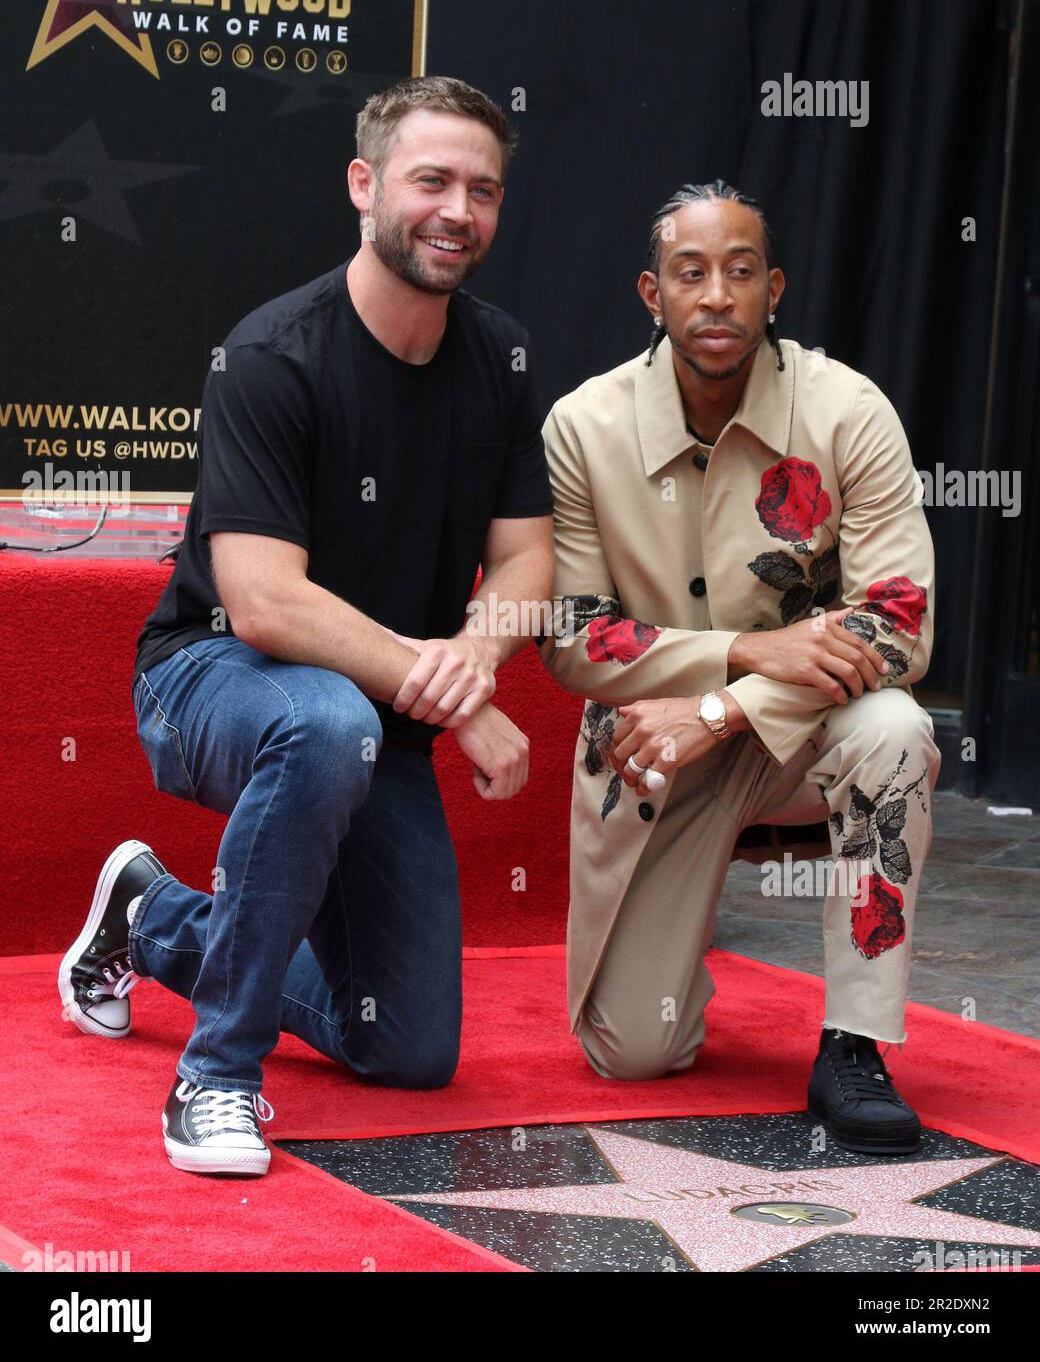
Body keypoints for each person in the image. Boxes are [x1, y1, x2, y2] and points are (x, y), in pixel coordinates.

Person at [57, 76, 555, 1177]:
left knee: (407, 1044)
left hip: (385, 705)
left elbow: (527, 556)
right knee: (327, 722)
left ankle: (151, 922)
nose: (456, 210)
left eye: (482, 189)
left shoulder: (501, 359)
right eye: (431, 180)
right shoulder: (273, 355)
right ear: (363, 184)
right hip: (210, 678)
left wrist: (471, 666)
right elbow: (263, 601)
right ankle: (216, 1077)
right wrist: (458, 703)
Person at [537, 180, 941, 1155]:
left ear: (774, 291)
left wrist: (721, 704)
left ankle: (854, 1041)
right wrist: (740, 650)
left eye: (739, 271)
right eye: (689, 273)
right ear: (651, 293)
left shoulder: (847, 410)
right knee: (630, 1050)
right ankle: (672, 937)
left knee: (894, 731)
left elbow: (896, 624)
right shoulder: (581, 429)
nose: (715, 295)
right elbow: (574, 639)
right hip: (649, 746)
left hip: (800, 735)